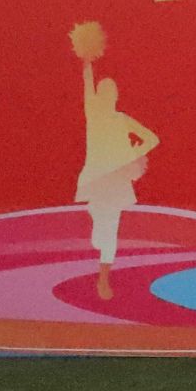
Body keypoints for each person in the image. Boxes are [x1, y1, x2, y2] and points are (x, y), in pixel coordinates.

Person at [70, 23, 159, 301]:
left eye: (111, 92)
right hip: (97, 180)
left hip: (115, 181)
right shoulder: (94, 114)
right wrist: (86, 61)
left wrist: (132, 155)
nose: (107, 95)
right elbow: (87, 85)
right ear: (100, 95)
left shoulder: (122, 119)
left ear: (116, 96)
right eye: (103, 91)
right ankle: (99, 242)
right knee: (101, 230)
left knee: (110, 230)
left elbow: (152, 138)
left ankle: (103, 279)